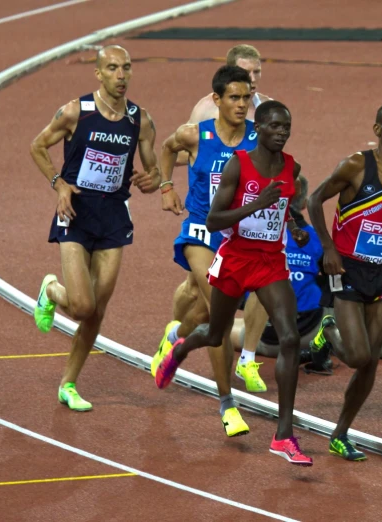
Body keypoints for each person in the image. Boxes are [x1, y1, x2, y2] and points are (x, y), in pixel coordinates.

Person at [155, 101, 313, 466]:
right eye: (274, 126)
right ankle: (180, 349)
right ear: (259, 128)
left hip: (270, 262)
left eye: (286, 126)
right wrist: (256, 204)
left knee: (289, 337)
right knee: (215, 335)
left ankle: (283, 435)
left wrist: (295, 229)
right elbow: (213, 220)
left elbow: (287, 206)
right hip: (236, 257)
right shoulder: (237, 164)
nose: (282, 132)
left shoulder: (292, 167)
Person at [29, 45, 160, 411]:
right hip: (75, 213)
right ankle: (52, 290)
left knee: (97, 311)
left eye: (127, 68)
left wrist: (156, 180)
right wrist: (59, 184)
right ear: (98, 74)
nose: (121, 75)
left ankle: (68, 384)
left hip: (113, 218)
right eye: (113, 69)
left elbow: (153, 168)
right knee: (82, 307)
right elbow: (38, 146)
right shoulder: (76, 111)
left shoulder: (139, 119)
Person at [150, 66, 268, 439]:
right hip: (201, 230)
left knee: (201, 312)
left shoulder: (257, 139)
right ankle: (227, 403)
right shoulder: (194, 135)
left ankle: (176, 337)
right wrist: (167, 186)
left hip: (237, 236)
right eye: (233, 97)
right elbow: (167, 148)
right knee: (219, 307)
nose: (241, 104)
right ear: (216, 100)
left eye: (246, 98)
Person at [307, 101, 382, 461]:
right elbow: (315, 200)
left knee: (371, 361)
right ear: (378, 130)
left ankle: (341, 433)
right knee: (358, 356)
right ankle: (326, 331)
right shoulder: (357, 166)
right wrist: (327, 249)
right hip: (346, 270)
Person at [166, 44, 275, 378]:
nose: (252, 81)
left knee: (253, 291)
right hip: (205, 221)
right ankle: (177, 340)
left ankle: (245, 358)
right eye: (246, 73)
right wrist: (166, 186)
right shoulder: (203, 111)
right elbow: (184, 150)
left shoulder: (268, 112)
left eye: (257, 72)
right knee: (201, 299)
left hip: (245, 224)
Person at [228, 175, 340, 373]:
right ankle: (336, 337)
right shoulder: (315, 239)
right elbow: (336, 285)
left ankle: (195, 330)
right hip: (308, 331)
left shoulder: (253, 236)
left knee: (223, 327)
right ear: (304, 204)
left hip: (268, 338)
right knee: (332, 290)